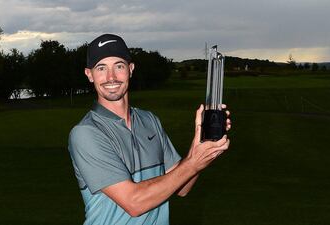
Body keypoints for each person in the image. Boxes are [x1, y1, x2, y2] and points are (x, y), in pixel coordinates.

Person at [68, 33, 231, 225]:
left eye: (119, 66)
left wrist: (205, 148)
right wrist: (193, 162)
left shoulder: (149, 120)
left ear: (130, 69)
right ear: (89, 74)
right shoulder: (86, 133)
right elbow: (134, 202)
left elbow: (182, 187)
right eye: (101, 68)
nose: (111, 77)